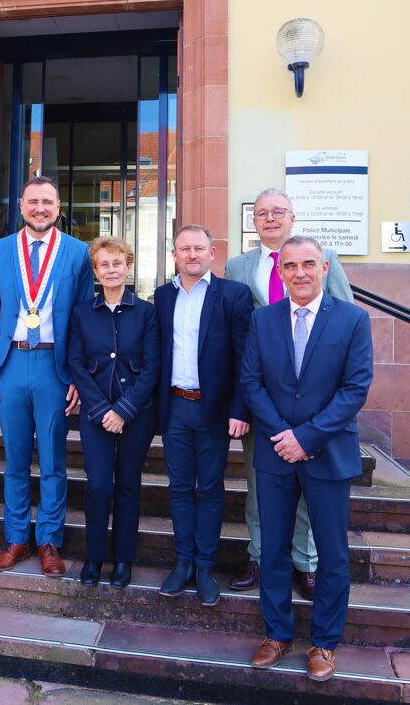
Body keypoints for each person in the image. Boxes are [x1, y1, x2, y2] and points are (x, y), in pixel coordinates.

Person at [241, 236, 372, 681]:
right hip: (276, 451)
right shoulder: (262, 320)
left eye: (308, 264)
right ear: (281, 273)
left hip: (328, 452)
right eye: (291, 265)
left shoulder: (352, 319)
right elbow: (251, 383)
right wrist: (284, 435)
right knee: (273, 549)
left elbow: (355, 388)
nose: (299, 272)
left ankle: (325, 643)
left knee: (332, 554)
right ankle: (277, 634)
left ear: (323, 269)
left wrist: (308, 437)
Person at [224, 187, 354, 599]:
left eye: (279, 211)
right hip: (263, 403)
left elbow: (345, 323)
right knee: (261, 484)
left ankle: (307, 562)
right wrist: (242, 403)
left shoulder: (320, 259)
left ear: (292, 217)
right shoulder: (238, 266)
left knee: (310, 486)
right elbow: (236, 340)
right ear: (254, 221)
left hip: (315, 406)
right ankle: (261, 557)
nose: (270, 218)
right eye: (262, 213)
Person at [0, 176, 94, 577]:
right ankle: (15, 539)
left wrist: (78, 375)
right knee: (13, 460)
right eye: (33, 201)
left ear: (58, 207)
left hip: (54, 367)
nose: (40, 208)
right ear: (22, 206)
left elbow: (83, 319)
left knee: (52, 461)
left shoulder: (78, 253)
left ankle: (49, 540)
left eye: (48, 201)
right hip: (11, 363)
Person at [154, 225, 254, 606]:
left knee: (210, 489)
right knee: (179, 488)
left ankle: (206, 566)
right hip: (175, 407)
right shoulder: (162, 297)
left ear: (213, 253)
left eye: (199, 248)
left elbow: (246, 358)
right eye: (184, 249)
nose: (192, 255)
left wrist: (240, 409)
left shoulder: (233, 295)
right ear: (175, 254)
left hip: (214, 410)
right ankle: (183, 563)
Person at [68, 237, 159, 588]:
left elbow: (152, 367)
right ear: (95, 270)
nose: (111, 270)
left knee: (128, 486)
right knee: (99, 486)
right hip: (95, 414)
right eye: (103, 264)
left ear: (128, 266)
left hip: (137, 413)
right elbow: (76, 363)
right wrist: (103, 409)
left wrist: (123, 409)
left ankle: (123, 561)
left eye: (117, 263)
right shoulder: (81, 313)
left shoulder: (147, 312)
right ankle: (94, 557)